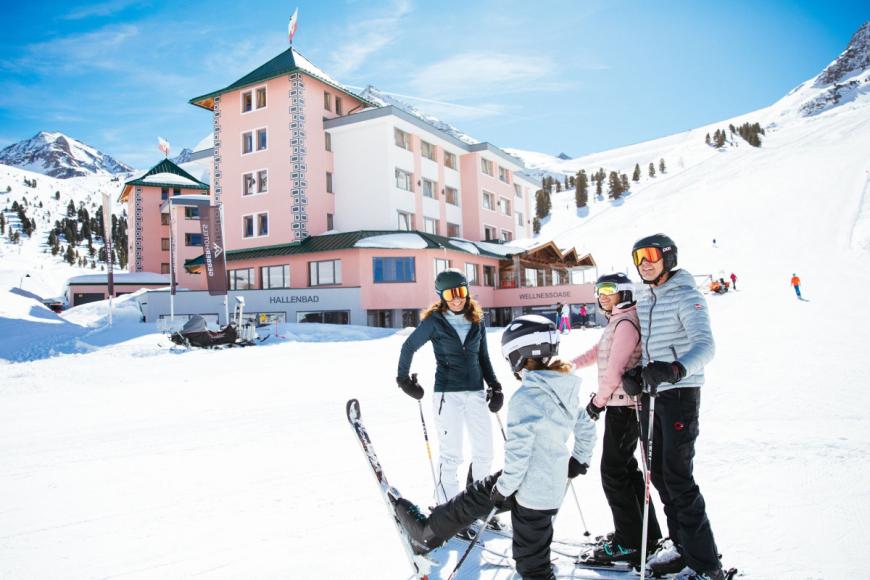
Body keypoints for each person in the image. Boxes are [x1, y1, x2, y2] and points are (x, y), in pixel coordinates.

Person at [391, 314, 597, 580]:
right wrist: (579, 460)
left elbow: (518, 454)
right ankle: (426, 533)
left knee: (531, 566)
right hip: (541, 483)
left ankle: (538, 572)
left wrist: (504, 489)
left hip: (530, 494)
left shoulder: (526, 398)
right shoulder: (565, 387)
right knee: (471, 499)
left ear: (520, 355)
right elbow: (585, 425)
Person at [628, 234, 725, 580]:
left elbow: (705, 347)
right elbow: (653, 351)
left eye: (651, 255)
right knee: (661, 479)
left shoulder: (687, 296)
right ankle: (683, 548)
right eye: (638, 258)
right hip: (655, 397)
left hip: (681, 394)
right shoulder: (648, 298)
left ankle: (706, 563)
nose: (644, 263)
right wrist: (639, 376)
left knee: (679, 479)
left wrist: (674, 369)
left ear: (668, 258)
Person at [571, 273, 662, 566]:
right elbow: (599, 353)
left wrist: (597, 403)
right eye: (599, 291)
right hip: (622, 405)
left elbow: (614, 371)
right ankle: (644, 535)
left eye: (608, 290)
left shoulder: (625, 323)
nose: (602, 296)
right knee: (626, 470)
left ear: (624, 292)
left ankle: (629, 542)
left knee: (612, 472)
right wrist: (568, 365)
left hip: (623, 406)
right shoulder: (619, 321)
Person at [397, 268, 503, 504]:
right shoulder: (434, 322)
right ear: (441, 296)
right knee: (451, 456)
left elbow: (483, 357)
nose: (456, 298)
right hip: (448, 395)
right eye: (449, 294)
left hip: (476, 393)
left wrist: (495, 386)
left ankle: (478, 505)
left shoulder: (477, 319)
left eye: (461, 292)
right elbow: (408, 347)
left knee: (484, 453)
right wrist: (403, 380)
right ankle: (448, 509)